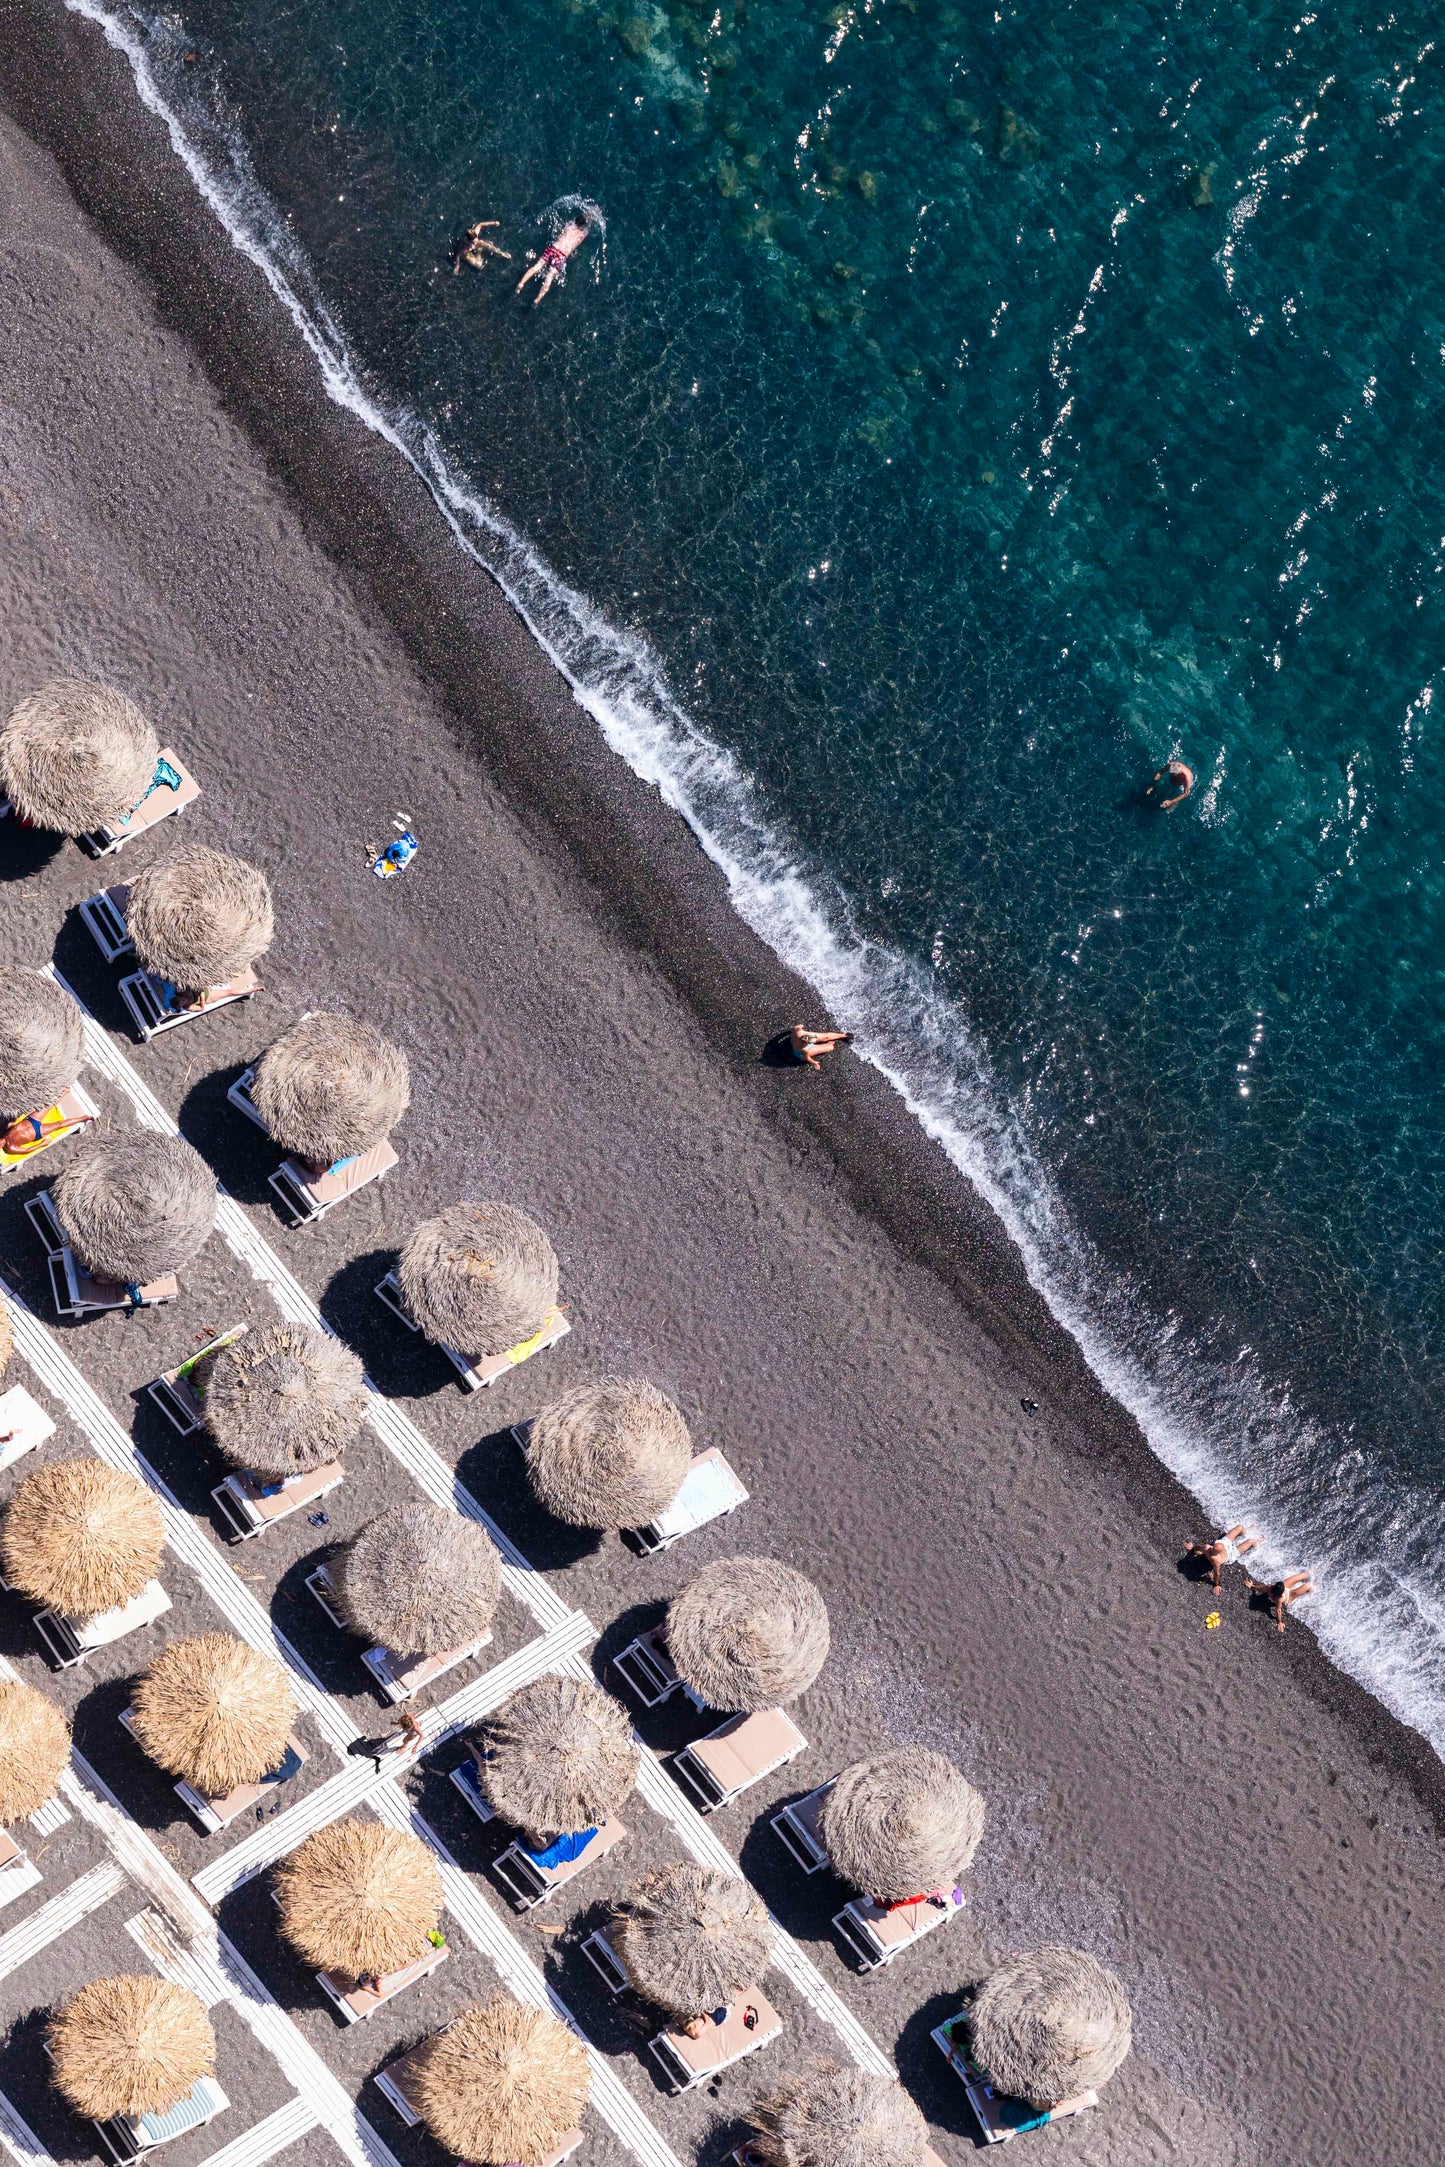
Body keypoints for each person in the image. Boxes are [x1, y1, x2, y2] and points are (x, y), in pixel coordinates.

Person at [516, 217, 591, 305]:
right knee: (550, 276)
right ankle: (538, 299)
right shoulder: (582, 234)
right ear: (582, 226)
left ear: (575, 221)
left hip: (554, 248)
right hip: (562, 254)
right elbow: (587, 227)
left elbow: (572, 222)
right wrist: (589, 219)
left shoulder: (570, 226)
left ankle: (521, 284)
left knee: (537, 267)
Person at [1182, 1523, 1257, 1591]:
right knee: (1251, 1541)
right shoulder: (1216, 1560)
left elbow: (1198, 1548)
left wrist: (1192, 1547)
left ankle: (1246, 1531)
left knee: (1240, 1527)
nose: (1210, 1547)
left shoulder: (1208, 1548)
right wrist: (1216, 1584)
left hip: (1224, 1544)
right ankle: (1258, 1544)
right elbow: (1217, 1574)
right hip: (1231, 1554)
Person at [346, 1706, 424, 1770]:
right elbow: (405, 1716)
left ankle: (404, 1747)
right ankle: (420, 1722)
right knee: (399, 1734)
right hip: (409, 1728)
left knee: (405, 1740)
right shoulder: (407, 1717)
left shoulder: (415, 1728)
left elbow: (422, 1735)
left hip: (412, 1733)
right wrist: (397, 1722)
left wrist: (416, 1746)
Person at [1245, 1569, 1314, 1633]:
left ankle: (1312, 1572)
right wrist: (1279, 1622)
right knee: (1307, 1586)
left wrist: (1252, 1586)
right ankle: (1315, 1589)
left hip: (1283, 1589)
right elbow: (1278, 1610)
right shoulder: (1280, 1598)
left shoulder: (1269, 1587)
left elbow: (1260, 1589)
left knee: (1301, 1575)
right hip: (1288, 1597)